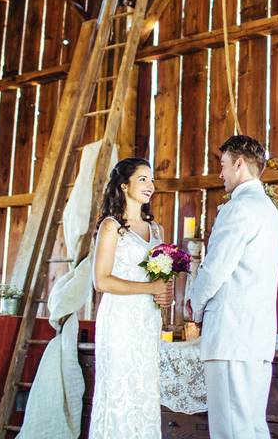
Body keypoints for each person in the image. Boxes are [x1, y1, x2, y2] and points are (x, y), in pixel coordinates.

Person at [185, 135, 278, 439]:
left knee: (230, 431)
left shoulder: (238, 209)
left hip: (231, 336)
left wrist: (194, 308)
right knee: (252, 428)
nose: (221, 173)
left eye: (224, 164)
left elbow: (214, 269)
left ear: (239, 163)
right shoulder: (268, 210)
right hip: (256, 338)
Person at [89, 158, 174, 439]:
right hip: (120, 322)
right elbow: (101, 280)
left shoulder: (157, 230)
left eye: (151, 180)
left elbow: (157, 279)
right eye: (142, 179)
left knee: (144, 390)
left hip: (147, 322)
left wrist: (164, 292)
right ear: (124, 185)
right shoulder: (112, 227)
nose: (150, 185)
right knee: (120, 390)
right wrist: (150, 289)